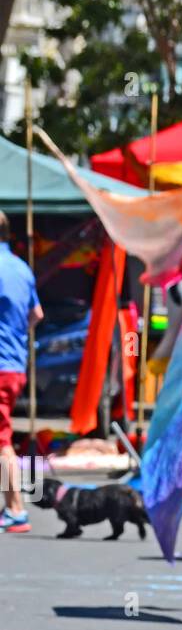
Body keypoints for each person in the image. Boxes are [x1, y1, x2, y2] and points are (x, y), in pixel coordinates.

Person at [0, 210, 43, 533]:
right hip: (14, 363)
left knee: (2, 440)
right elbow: (36, 314)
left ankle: (16, 508)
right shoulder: (21, 268)